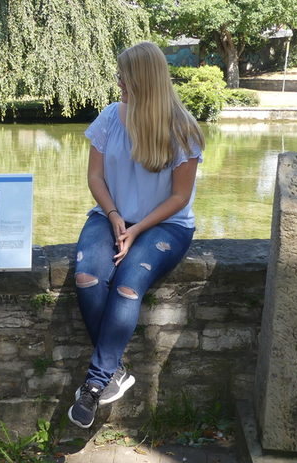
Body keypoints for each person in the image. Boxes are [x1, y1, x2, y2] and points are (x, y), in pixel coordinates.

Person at [68, 41, 204, 428]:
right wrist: (114, 217)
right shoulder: (110, 118)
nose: (118, 82)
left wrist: (137, 229)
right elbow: (95, 177)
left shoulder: (183, 129)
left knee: (128, 286)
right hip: (109, 215)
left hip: (165, 225)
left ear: (142, 80)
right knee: (87, 277)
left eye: (123, 76)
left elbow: (180, 197)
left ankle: (94, 385)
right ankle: (115, 371)